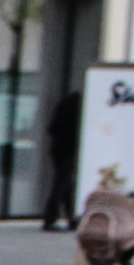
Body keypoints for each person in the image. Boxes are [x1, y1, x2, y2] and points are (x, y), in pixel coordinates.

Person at [45, 89, 84, 231]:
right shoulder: (78, 106)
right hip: (68, 149)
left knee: (66, 184)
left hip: (59, 149)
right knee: (62, 184)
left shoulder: (65, 104)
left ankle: (70, 217)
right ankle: (51, 218)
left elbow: (51, 128)